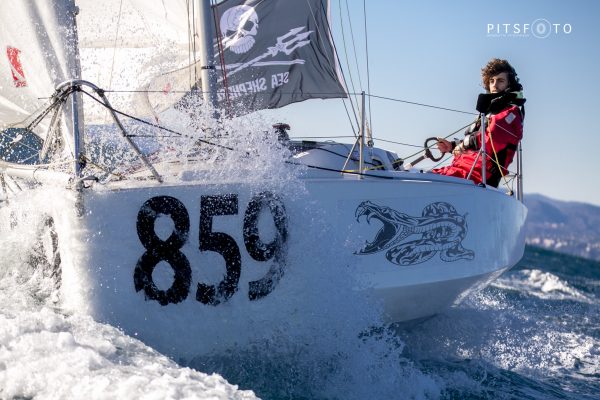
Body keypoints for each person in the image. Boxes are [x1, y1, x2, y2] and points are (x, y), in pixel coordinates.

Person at [432, 58, 526, 187]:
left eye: (500, 80)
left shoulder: (511, 113)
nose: (494, 84)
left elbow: (492, 138)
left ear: (509, 85)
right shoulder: (489, 113)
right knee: (419, 176)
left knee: (427, 181)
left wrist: (463, 145)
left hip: (477, 179)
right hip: (460, 172)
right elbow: (477, 140)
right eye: (491, 81)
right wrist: (452, 146)